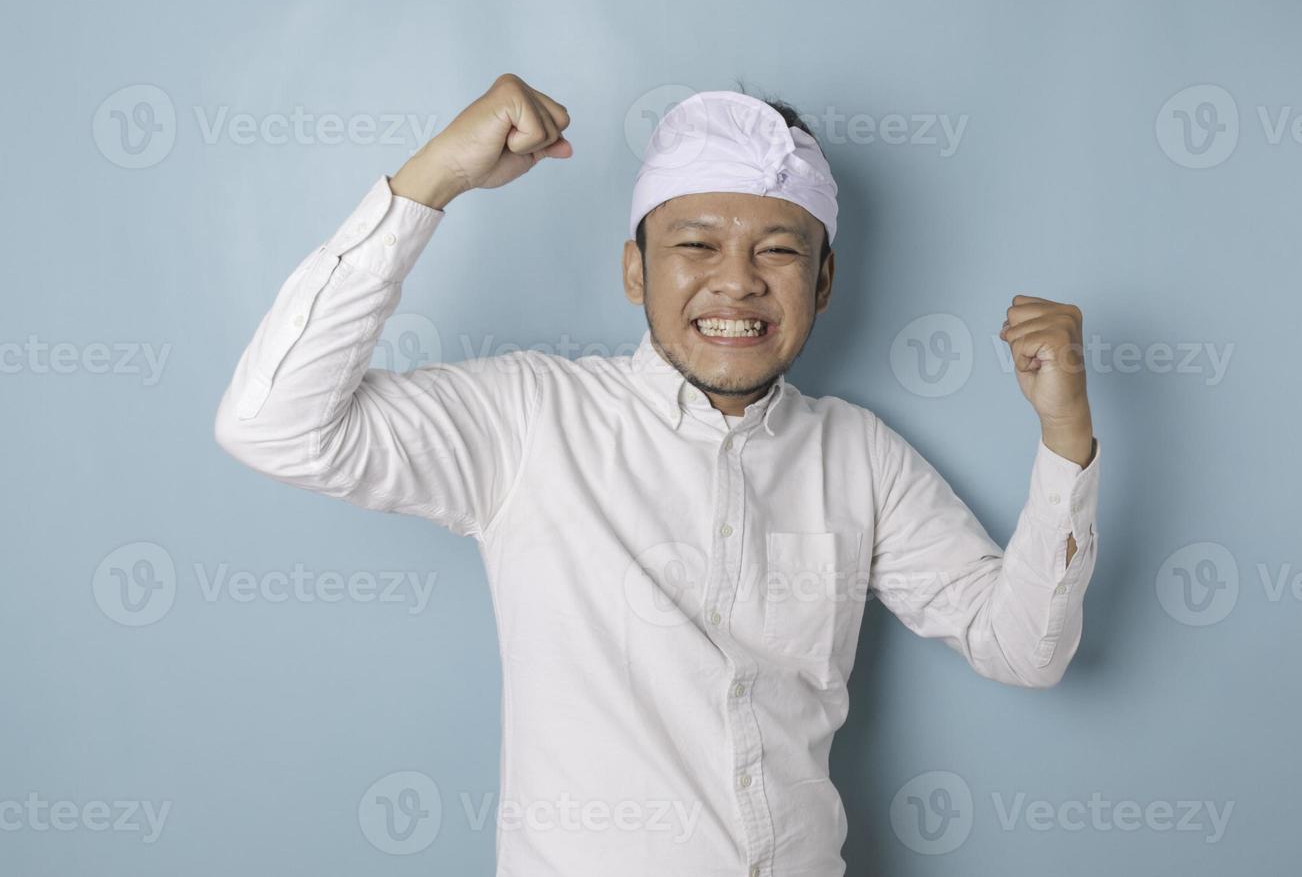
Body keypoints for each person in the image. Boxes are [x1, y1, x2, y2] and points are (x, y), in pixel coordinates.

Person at [214, 73, 1100, 875]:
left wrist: (1065, 434)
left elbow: (1023, 648)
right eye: (697, 246)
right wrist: (434, 177)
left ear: (824, 284)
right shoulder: (531, 420)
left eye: (780, 253)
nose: (738, 284)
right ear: (635, 269)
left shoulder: (858, 455)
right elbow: (273, 424)